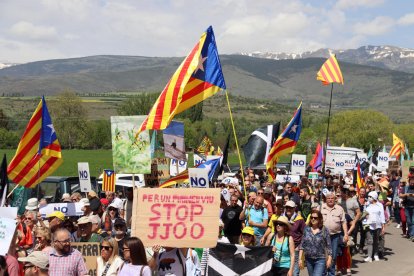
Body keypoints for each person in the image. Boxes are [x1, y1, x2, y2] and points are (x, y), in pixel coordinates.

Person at [321, 192, 348, 276]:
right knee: (323, 255)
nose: (330, 200)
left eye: (332, 198)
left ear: (335, 199)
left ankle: (331, 274)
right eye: (328, 198)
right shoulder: (321, 208)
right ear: (325, 199)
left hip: (335, 236)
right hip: (323, 236)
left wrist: (346, 234)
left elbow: (343, 222)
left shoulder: (339, 209)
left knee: (333, 256)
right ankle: (324, 273)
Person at [299, 210, 332, 276]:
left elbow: (329, 246)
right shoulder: (306, 229)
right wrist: (300, 259)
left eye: (315, 218)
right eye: (311, 217)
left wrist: (329, 259)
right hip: (308, 259)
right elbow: (302, 245)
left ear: (320, 219)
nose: (313, 219)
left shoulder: (324, 230)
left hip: (320, 259)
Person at [363, 191, 386, 262]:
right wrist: (364, 221)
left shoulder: (380, 205)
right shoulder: (367, 204)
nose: (369, 198)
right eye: (368, 196)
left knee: (376, 240)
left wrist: (383, 227)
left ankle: (376, 254)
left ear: (374, 197)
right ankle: (369, 256)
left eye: (370, 197)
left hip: (377, 225)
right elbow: (364, 214)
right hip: (368, 225)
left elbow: (382, 216)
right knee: (370, 240)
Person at [400, 176, 414, 241]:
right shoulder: (405, 188)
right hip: (407, 207)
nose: (412, 184)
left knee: (413, 221)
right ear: (409, 182)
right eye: (411, 183)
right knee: (409, 221)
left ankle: (412, 235)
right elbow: (400, 195)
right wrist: (406, 194)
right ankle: (410, 233)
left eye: (413, 183)